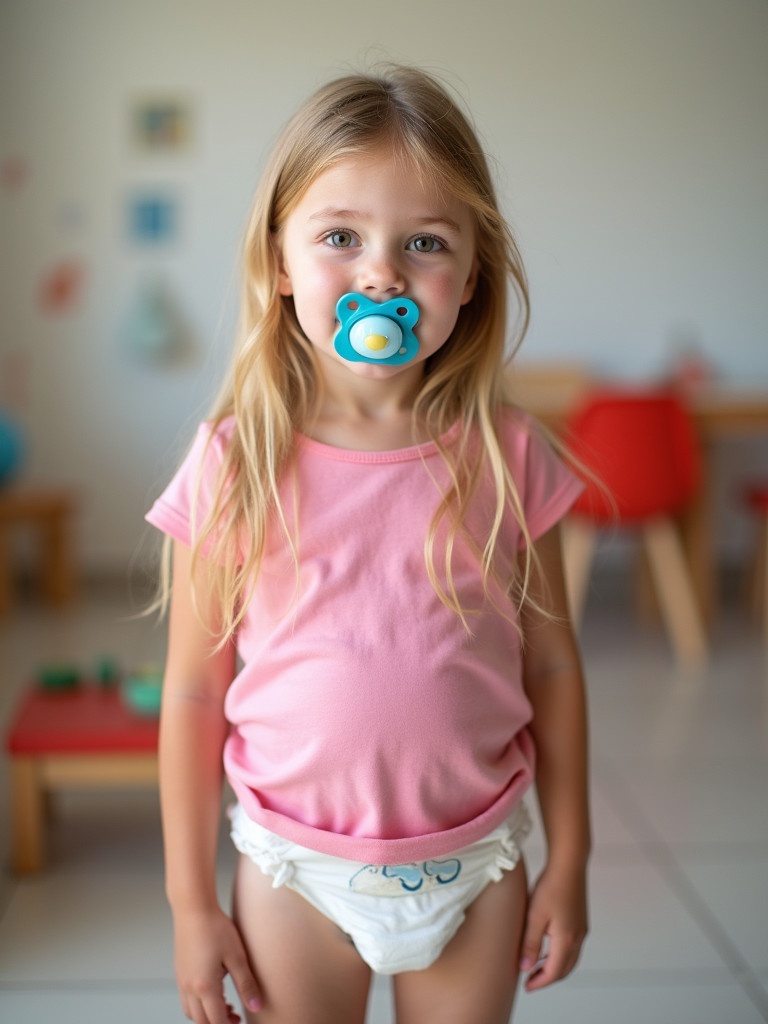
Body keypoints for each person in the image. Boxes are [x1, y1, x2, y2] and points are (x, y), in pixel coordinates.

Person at [146, 63, 590, 1024]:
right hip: (295, 869)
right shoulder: (236, 463)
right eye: (341, 237)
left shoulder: (512, 459)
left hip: (476, 865)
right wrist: (190, 903)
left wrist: (574, 860)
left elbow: (554, 669)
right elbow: (192, 689)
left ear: (470, 276)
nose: (381, 273)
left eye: (423, 243)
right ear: (280, 262)